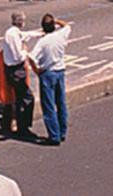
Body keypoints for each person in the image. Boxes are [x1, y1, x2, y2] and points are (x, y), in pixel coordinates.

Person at [28, 14, 70, 146]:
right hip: (60, 71)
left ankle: (54, 135)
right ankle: (62, 132)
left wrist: (36, 70)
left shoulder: (43, 41)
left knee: (49, 105)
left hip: (47, 73)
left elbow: (31, 57)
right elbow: (67, 25)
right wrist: (57, 20)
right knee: (61, 103)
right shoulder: (61, 35)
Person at [0, 11, 34, 138]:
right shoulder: (13, 35)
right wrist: (25, 51)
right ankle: (23, 127)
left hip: (13, 70)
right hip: (15, 70)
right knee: (26, 98)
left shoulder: (13, 32)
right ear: (20, 22)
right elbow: (17, 56)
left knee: (21, 98)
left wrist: (37, 33)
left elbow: (24, 35)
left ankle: (22, 125)